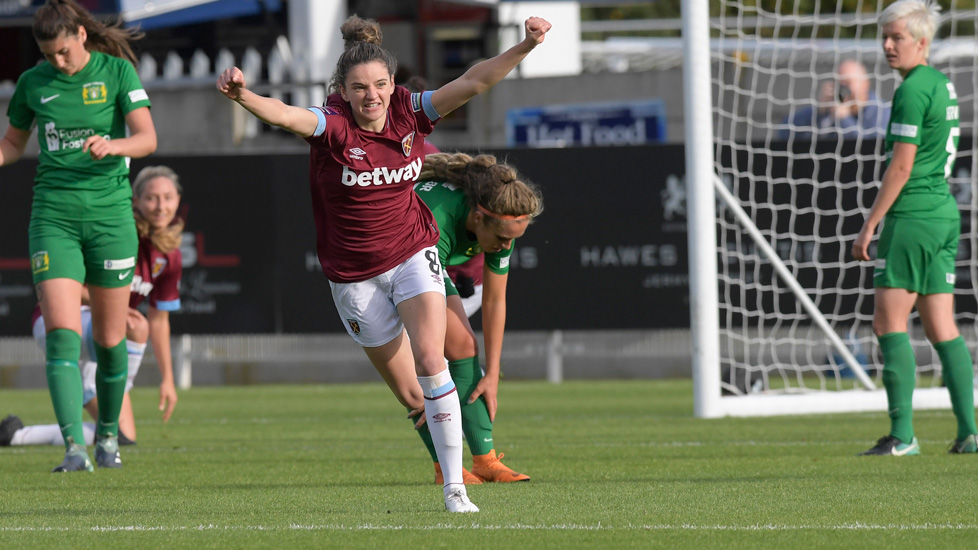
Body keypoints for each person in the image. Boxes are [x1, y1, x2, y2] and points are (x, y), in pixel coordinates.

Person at [216, 14, 551, 512]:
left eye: (379, 84)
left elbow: (475, 79)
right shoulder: (331, 126)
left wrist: (525, 45)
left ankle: (455, 489)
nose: (371, 95)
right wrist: (243, 96)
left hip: (412, 252)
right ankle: (449, 465)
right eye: (359, 88)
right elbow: (284, 114)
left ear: (393, 85)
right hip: (352, 276)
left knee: (433, 360)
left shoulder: (412, 112)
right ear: (344, 91)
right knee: (412, 395)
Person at [0, 0, 157, 472]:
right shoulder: (33, 83)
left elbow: (147, 138)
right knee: (62, 337)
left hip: (110, 220)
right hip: (53, 219)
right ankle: (73, 449)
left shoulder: (116, 72)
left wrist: (115, 145)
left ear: (82, 37)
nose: (58, 63)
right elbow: (13, 143)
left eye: (64, 52)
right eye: (49, 55)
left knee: (110, 343)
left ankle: (107, 439)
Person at [852, 0, 975, 456]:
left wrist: (870, 224)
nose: (887, 45)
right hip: (944, 213)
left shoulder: (910, 90)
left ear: (922, 43)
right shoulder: (941, 84)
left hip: (914, 215)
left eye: (896, 37)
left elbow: (901, 167)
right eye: (884, 36)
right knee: (943, 327)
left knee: (888, 322)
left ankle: (903, 436)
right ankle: (970, 432)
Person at [1, 166, 183, 449]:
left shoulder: (170, 256)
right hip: (61, 322)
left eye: (168, 197)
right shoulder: (116, 231)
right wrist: (112, 308)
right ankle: (103, 384)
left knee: (123, 439)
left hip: (107, 333)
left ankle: (15, 435)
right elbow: (64, 288)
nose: (161, 206)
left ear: (178, 201)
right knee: (136, 325)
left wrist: (168, 380)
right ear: (134, 201)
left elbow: (161, 321)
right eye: (152, 198)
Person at [411, 152, 542, 485]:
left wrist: (494, 373)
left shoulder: (501, 222)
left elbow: (495, 300)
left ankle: (485, 461)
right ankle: (446, 469)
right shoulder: (436, 217)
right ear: (479, 217)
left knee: (463, 348)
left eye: (513, 239)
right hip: (380, 267)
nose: (505, 246)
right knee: (424, 369)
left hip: (421, 263)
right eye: (502, 239)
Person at [778, 59, 891, 140]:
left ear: (865, 84)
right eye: (838, 83)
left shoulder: (882, 113)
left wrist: (844, 120)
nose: (842, 89)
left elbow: (872, 150)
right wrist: (818, 112)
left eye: (847, 83)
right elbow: (784, 132)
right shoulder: (828, 111)